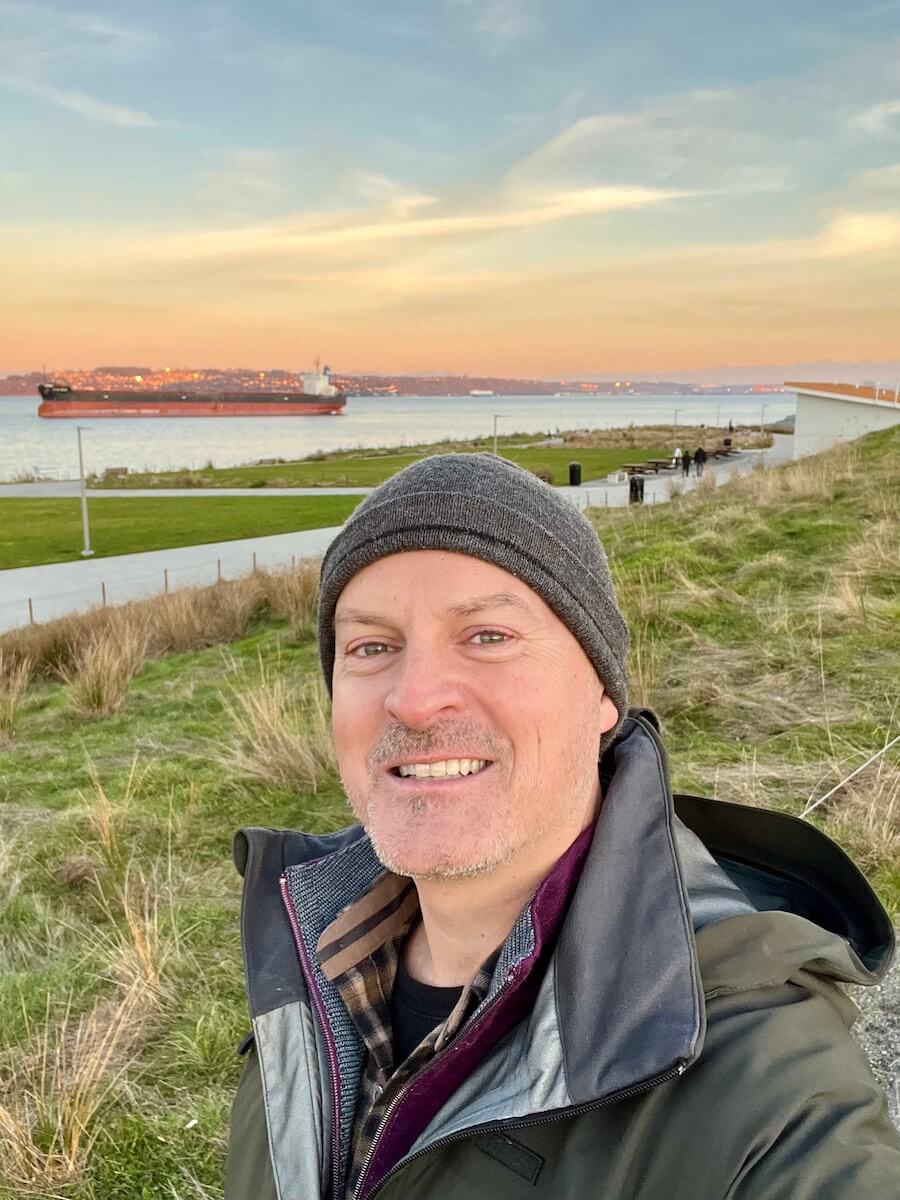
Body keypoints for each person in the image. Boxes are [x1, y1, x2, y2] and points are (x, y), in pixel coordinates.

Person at [225, 454, 900, 1200]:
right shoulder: (304, 958)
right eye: (372, 647)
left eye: (486, 635)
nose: (414, 700)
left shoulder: (761, 1072)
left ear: (602, 694)